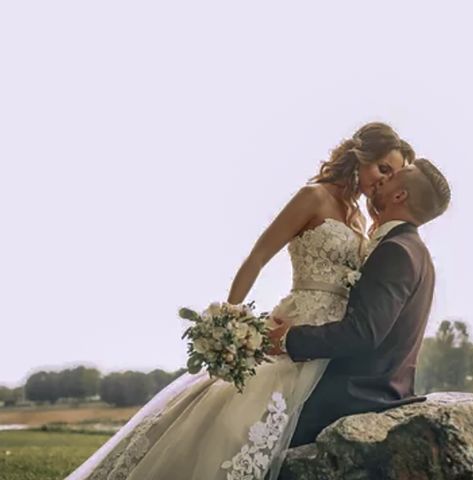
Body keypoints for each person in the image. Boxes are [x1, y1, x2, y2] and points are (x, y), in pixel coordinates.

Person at [65, 122, 414, 480]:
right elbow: (258, 257)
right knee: (234, 419)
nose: (384, 180)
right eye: (382, 168)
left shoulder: (359, 218)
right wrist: (229, 320)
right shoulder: (314, 196)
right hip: (293, 321)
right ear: (360, 156)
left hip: (328, 336)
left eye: (393, 175)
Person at [267, 158, 451, 447]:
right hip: (381, 390)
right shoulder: (415, 251)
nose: (381, 180)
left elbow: (364, 333)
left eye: (392, 177)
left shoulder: (395, 252)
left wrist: (289, 340)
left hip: (356, 395)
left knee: (253, 423)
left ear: (399, 195)